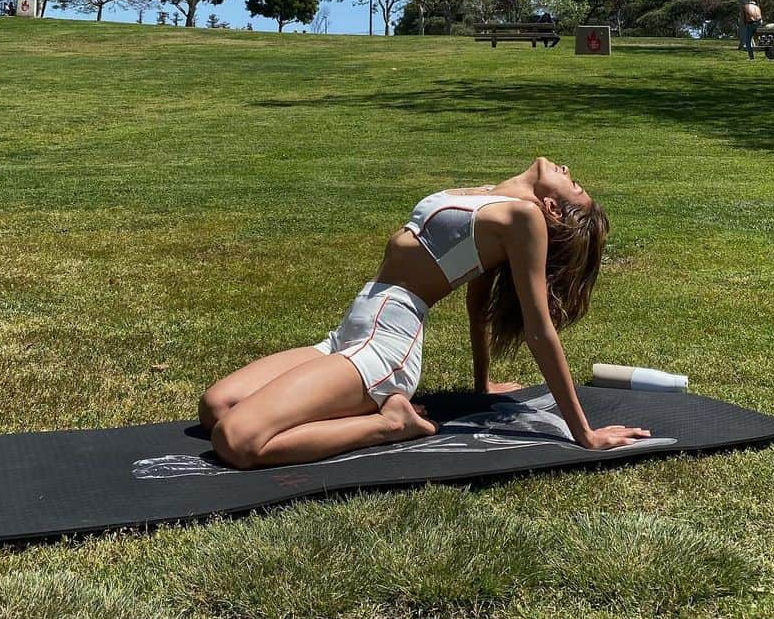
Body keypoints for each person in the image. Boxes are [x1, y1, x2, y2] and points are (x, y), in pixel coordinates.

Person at [198, 158, 650, 468]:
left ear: (551, 208)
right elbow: (479, 301)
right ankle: (360, 411)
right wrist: (481, 384)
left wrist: (583, 432)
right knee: (216, 407)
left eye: (576, 186)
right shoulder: (493, 200)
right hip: (351, 331)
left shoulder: (524, 219)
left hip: (385, 345)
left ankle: (390, 423)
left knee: (236, 441)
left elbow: (539, 331)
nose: (570, 172)